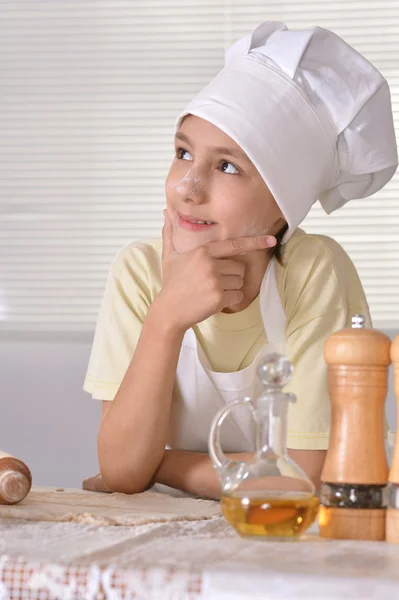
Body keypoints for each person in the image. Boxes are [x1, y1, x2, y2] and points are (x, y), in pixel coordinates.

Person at [83, 22, 398, 499]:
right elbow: (124, 472)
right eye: (183, 152)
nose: (186, 188)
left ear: (283, 205)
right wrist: (166, 317)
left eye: (227, 166)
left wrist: (158, 463)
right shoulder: (138, 273)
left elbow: (302, 478)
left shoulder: (313, 273)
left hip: (289, 541)